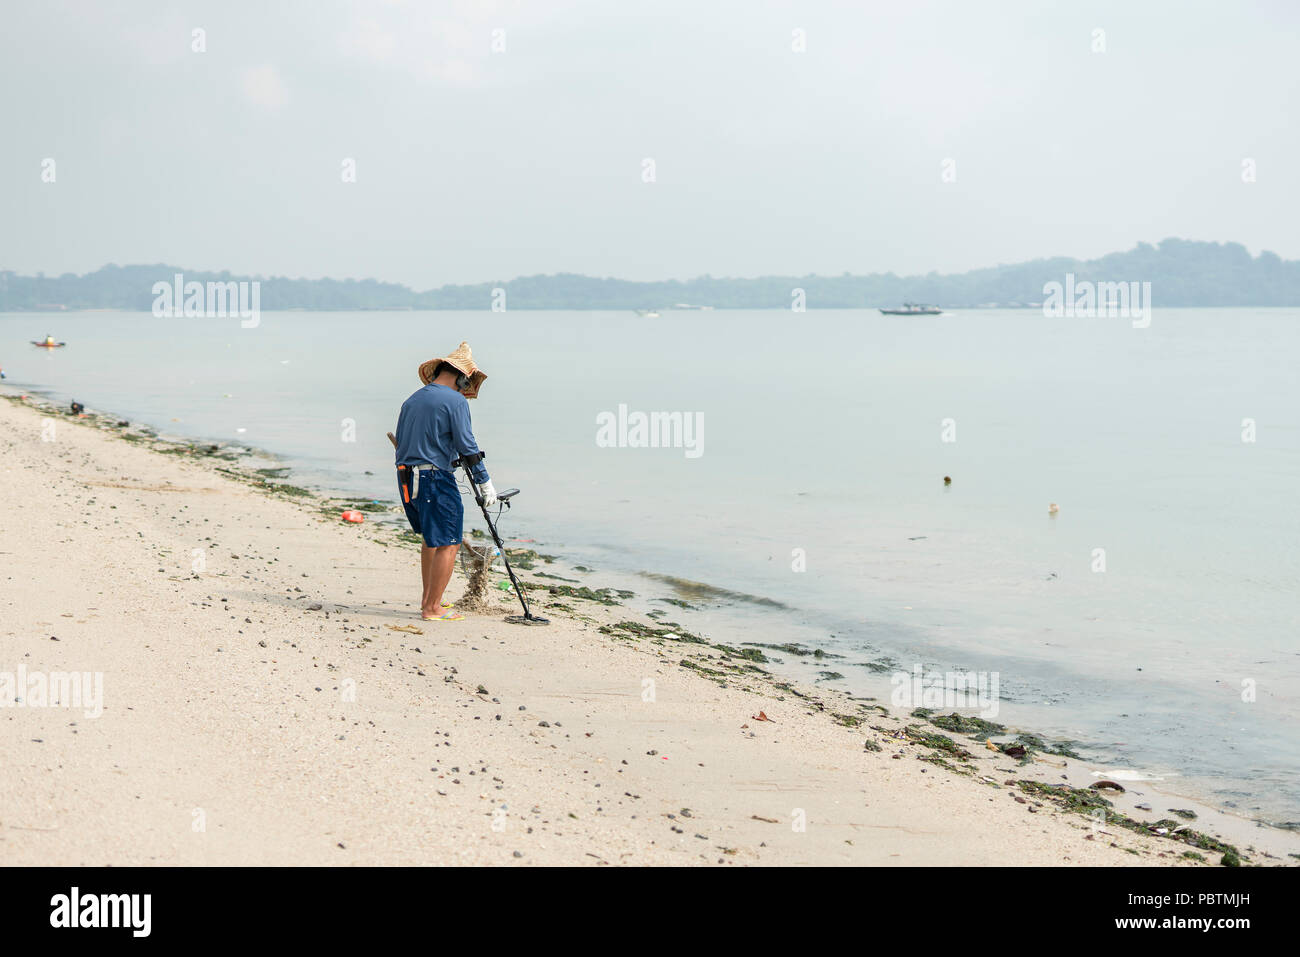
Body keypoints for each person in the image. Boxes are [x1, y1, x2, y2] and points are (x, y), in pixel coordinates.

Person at [393, 341, 497, 622]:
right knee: (449, 541)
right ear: (462, 376)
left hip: (407, 477)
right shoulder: (455, 401)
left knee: (432, 540)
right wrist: (485, 483)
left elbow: (403, 443)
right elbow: (467, 443)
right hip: (434, 478)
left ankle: (429, 601)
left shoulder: (412, 399)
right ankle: (432, 608)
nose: (465, 389)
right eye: (466, 383)